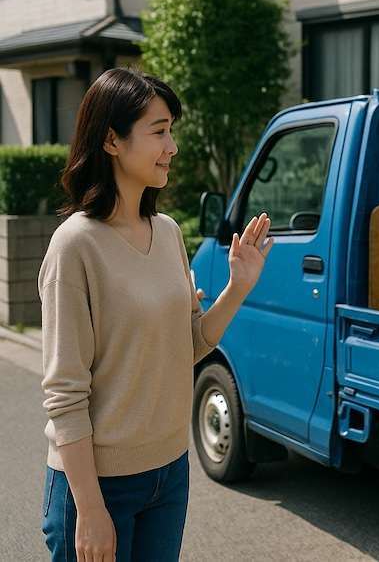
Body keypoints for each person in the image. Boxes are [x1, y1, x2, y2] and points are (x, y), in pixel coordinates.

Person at [38, 68, 272, 562]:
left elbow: (190, 345)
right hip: (96, 485)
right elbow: (64, 393)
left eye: (172, 131)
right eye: (159, 131)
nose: (173, 146)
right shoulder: (74, 246)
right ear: (112, 140)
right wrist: (90, 510)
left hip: (168, 471)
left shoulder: (167, 232)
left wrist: (238, 287)